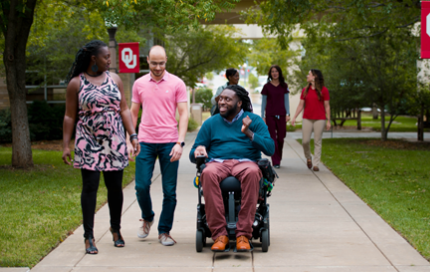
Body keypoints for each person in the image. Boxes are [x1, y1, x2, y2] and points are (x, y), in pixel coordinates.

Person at [62, 40, 140, 254]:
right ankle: (89, 236)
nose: (109, 60)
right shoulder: (76, 83)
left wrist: (132, 135)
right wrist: (66, 145)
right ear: (93, 58)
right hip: (87, 141)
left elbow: (124, 109)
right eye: (106, 57)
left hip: (114, 141)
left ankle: (116, 229)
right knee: (90, 187)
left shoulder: (114, 79)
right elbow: (69, 115)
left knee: (115, 187)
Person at [190, 85, 275, 252]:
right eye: (220, 99)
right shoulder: (211, 123)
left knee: (252, 172)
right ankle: (220, 235)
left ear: (239, 103)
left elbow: (270, 148)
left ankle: (243, 234)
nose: (221, 102)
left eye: (227, 99)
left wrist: (249, 133)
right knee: (206, 172)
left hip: (246, 163)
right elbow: (193, 153)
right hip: (217, 163)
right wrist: (198, 152)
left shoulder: (254, 121)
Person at [127, 45, 188, 246]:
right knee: (141, 186)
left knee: (169, 191)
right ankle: (148, 216)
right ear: (147, 61)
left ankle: (164, 231)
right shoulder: (139, 84)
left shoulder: (177, 83)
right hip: (145, 141)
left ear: (166, 61)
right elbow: (133, 113)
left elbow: (184, 113)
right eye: (154, 63)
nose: (158, 67)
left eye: (161, 63)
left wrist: (180, 142)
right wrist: (130, 138)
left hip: (169, 142)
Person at [291, 69, 331, 171]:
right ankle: (308, 157)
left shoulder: (324, 90)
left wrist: (329, 120)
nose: (307, 76)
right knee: (305, 141)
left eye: (309, 74)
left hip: (320, 118)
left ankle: (316, 164)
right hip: (307, 118)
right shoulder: (305, 90)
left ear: (314, 76)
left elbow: (327, 106)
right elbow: (301, 105)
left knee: (317, 141)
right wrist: (295, 117)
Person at [261, 65, 290, 169]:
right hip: (270, 115)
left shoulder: (284, 86)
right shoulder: (266, 87)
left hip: (282, 114)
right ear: (270, 74)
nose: (274, 73)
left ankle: (278, 157)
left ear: (279, 73)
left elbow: (286, 100)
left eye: (276, 71)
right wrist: (262, 116)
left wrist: (288, 113)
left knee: (281, 138)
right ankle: (275, 161)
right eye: (272, 71)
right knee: (273, 138)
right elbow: (263, 102)